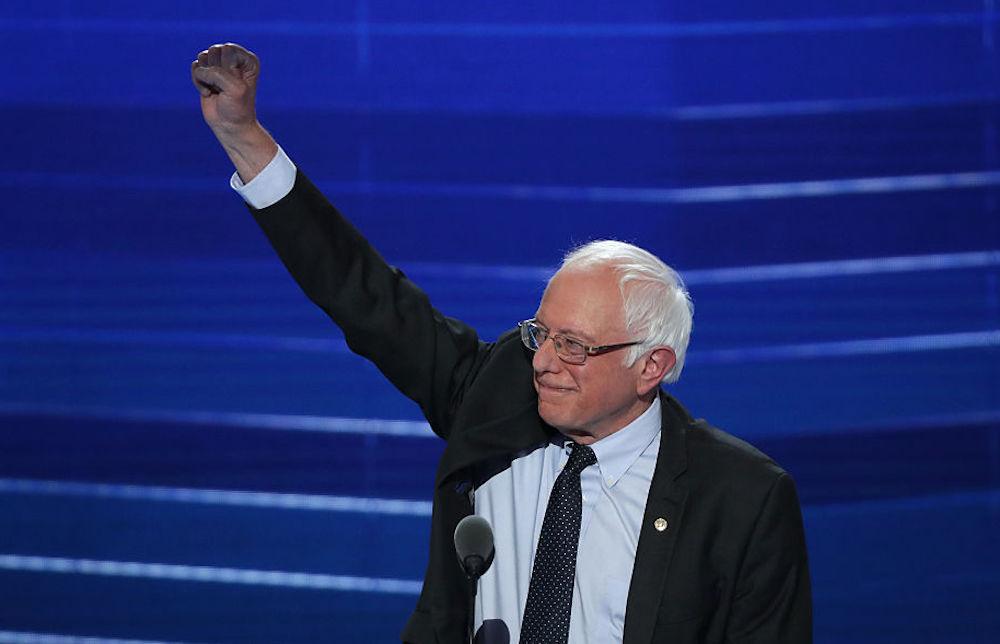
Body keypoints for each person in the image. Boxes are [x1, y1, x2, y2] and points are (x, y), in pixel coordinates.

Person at [192, 43, 812, 644]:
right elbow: (365, 297)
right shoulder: (496, 398)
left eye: (574, 346)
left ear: (652, 365)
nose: (542, 362)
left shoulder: (740, 498)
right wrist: (244, 136)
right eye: (541, 333)